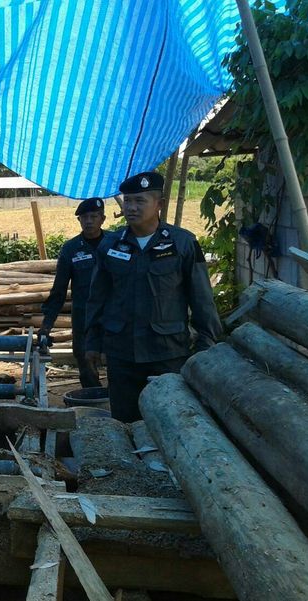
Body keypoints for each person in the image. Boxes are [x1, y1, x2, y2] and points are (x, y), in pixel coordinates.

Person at [84, 172, 221, 422]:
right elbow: (97, 299)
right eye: (128, 201)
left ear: (159, 204)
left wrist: (206, 345)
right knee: (126, 423)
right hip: (122, 354)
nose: (131, 207)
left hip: (168, 354)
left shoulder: (182, 243)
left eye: (140, 201)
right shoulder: (110, 245)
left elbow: (202, 299)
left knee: (173, 421)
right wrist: (92, 342)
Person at [39, 197, 116, 388]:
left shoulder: (116, 243)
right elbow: (59, 290)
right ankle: (91, 399)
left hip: (113, 316)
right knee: (86, 365)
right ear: (79, 220)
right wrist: (47, 325)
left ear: (103, 219)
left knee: (119, 366)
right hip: (84, 318)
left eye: (94, 216)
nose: (89, 221)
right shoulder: (71, 249)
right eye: (84, 217)